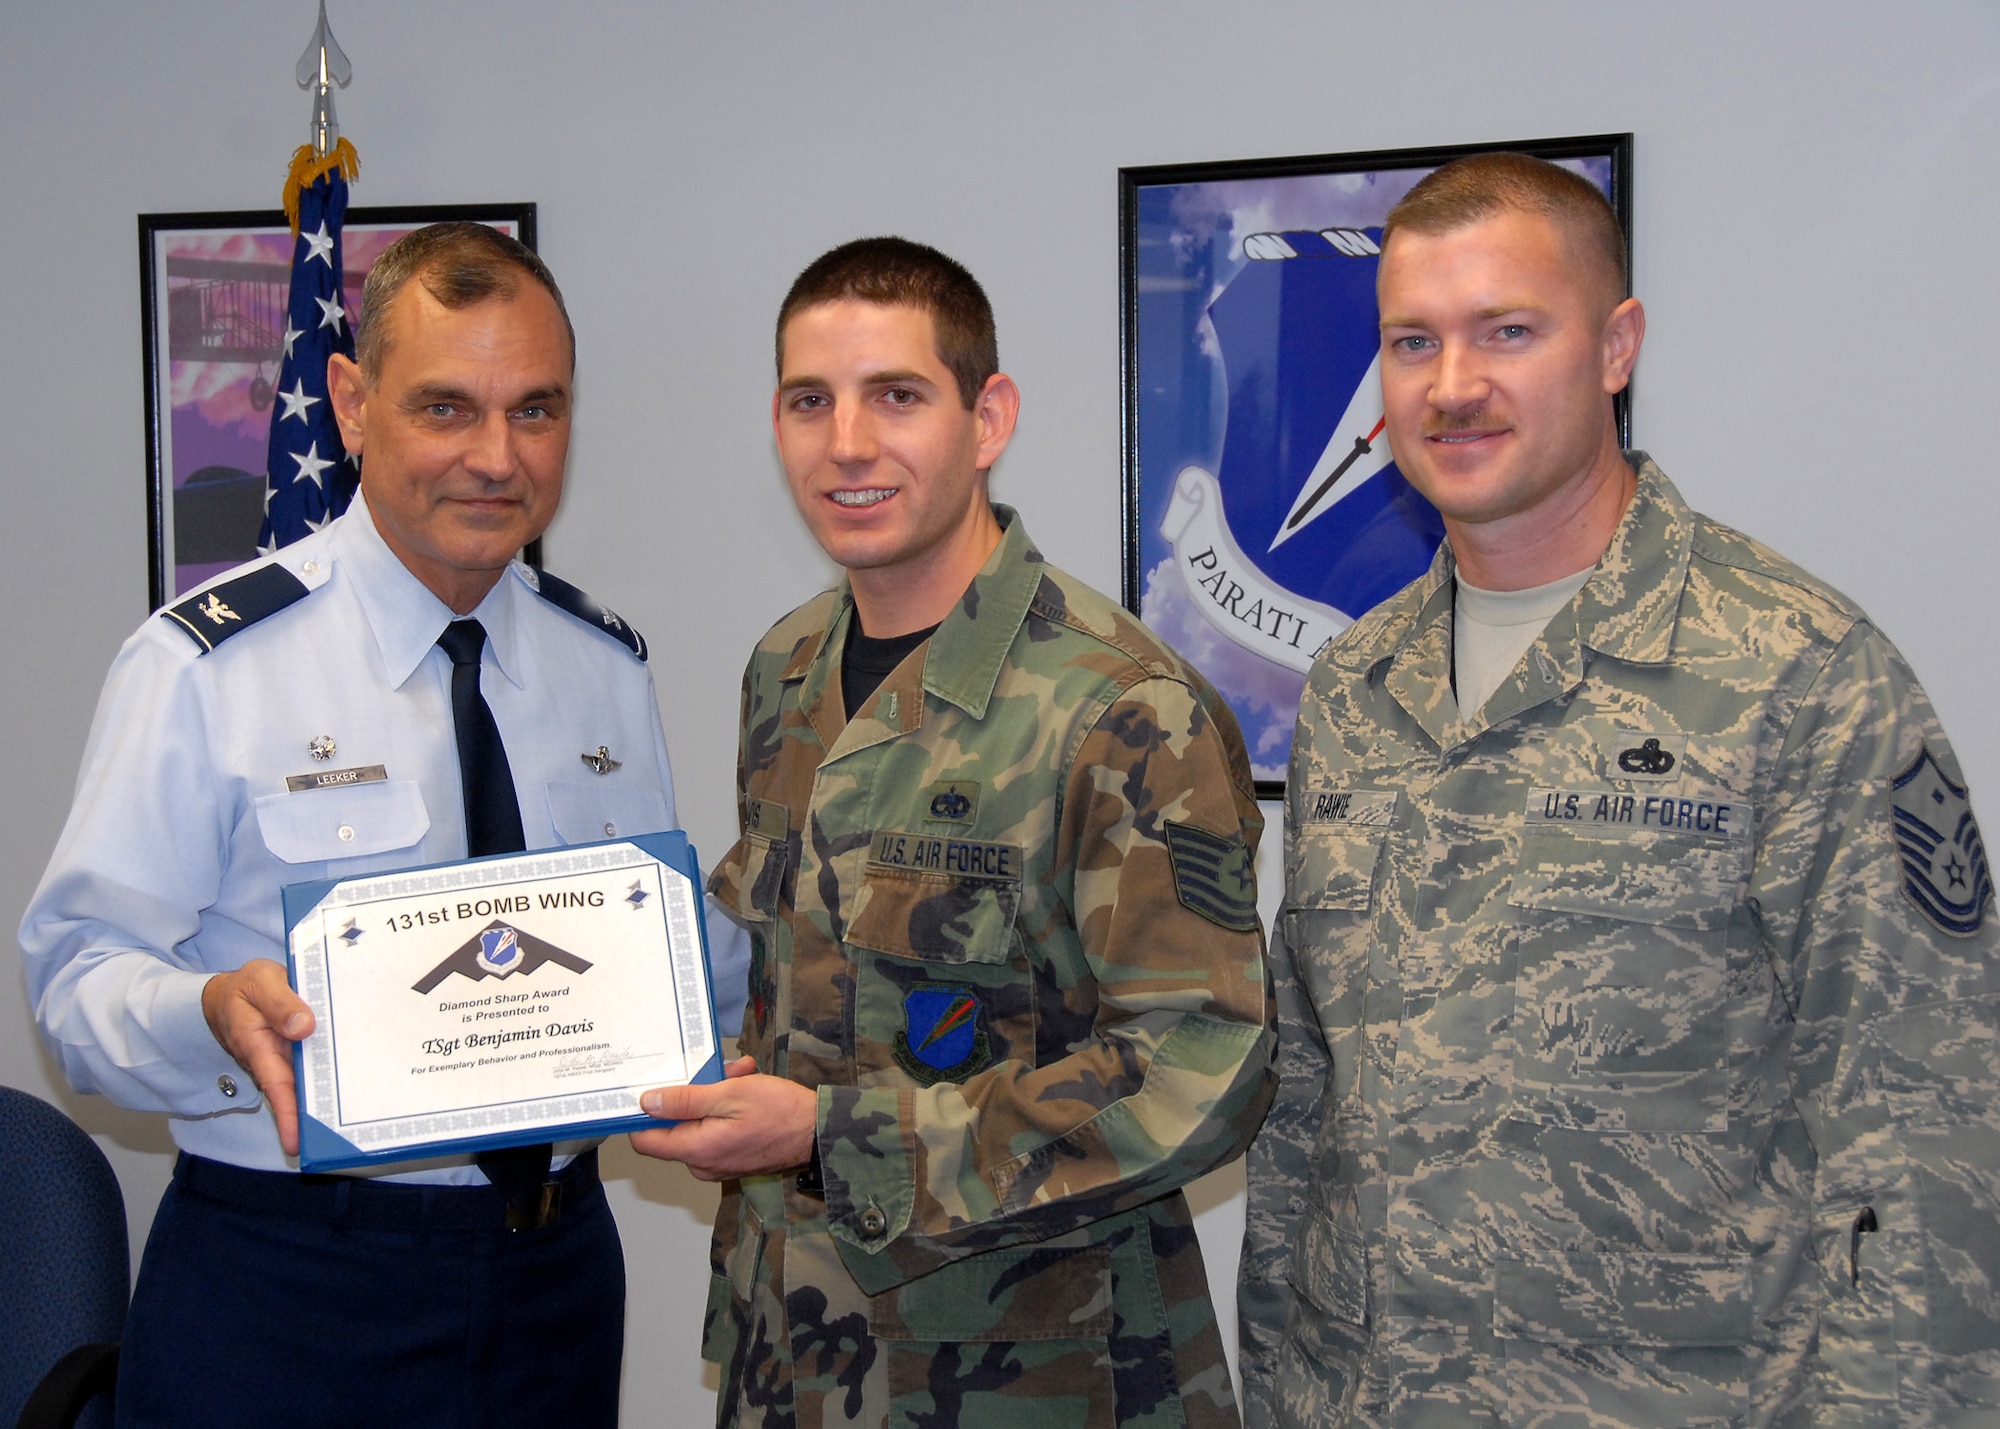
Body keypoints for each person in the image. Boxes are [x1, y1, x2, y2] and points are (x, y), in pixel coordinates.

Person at [1238, 151, 2000, 1427]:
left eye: (1508, 331)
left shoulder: (1796, 673)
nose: (1453, 384)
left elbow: (1925, 1130)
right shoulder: (1356, 690)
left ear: (1614, 345)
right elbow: (1307, 1102)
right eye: (1411, 341)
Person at [20, 221, 740, 1427]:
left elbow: (653, 947)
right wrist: (202, 1010)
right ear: (351, 404)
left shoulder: (601, 664)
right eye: (446, 408)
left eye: (536, 411)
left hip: (555, 1272)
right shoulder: (208, 666)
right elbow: (73, 980)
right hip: (293, 1275)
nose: (495, 457)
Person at [631, 237, 1276, 1428]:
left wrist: (834, 1133)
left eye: (897, 396)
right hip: (796, 1354)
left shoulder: (1118, 704)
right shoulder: (784, 670)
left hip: (1036, 1374)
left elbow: (1207, 1063)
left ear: (988, 418)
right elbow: (809, 987)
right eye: (808, 401)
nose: (848, 444)